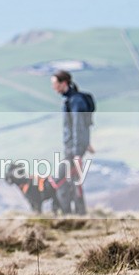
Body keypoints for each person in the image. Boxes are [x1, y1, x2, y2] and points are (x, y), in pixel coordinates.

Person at [50, 70, 93, 215]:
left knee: (59, 181)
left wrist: (77, 153)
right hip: (75, 148)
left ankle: (67, 214)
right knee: (74, 181)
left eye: (55, 84)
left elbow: (78, 126)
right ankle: (80, 214)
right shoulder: (71, 100)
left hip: (73, 151)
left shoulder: (75, 101)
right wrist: (86, 143)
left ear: (63, 83)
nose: (53, 87)